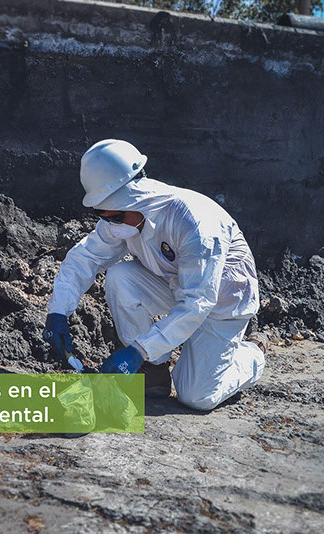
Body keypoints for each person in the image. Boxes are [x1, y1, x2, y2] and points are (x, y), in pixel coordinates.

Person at [42, 139, 265, 411]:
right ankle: (153, 371)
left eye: (116, 217)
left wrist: (138, 349)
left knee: (196, 397)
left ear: (135, 199)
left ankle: (252, 353)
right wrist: (58, 312)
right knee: (120, 277)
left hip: (222, 301)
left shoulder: (195, 224)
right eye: (104, 216)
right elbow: (85, 257)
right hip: (176, 285)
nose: (112, 224)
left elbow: (198, 302)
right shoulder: (123, 215)